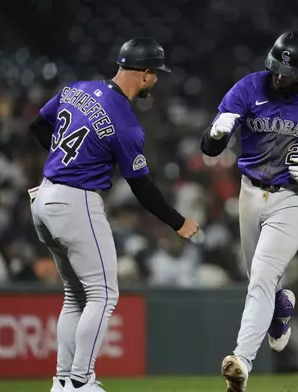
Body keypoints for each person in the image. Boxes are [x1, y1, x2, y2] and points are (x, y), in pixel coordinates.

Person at [28, 38, 200, 392]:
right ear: (146, 74)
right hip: (76, 202)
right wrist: (178, 222)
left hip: (43, 198)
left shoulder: (76, 88)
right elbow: (142, 187)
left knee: (75, 294)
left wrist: (69, 158)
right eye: (156, 75)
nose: (156, 81)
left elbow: (39, 127)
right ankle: (81, 382)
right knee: (103, 295)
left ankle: (62, 382)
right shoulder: (125, 123)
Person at [200, 31, 298, 392]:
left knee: (260, 277)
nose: (280, 76)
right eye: (276, 68)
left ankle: (241, 362)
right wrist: (215, 134)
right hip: (250, 192)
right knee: (259, 278)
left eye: (288, 71)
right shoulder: (247, 87)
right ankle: (280, 310)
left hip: (292, 196)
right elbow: (209, 149)